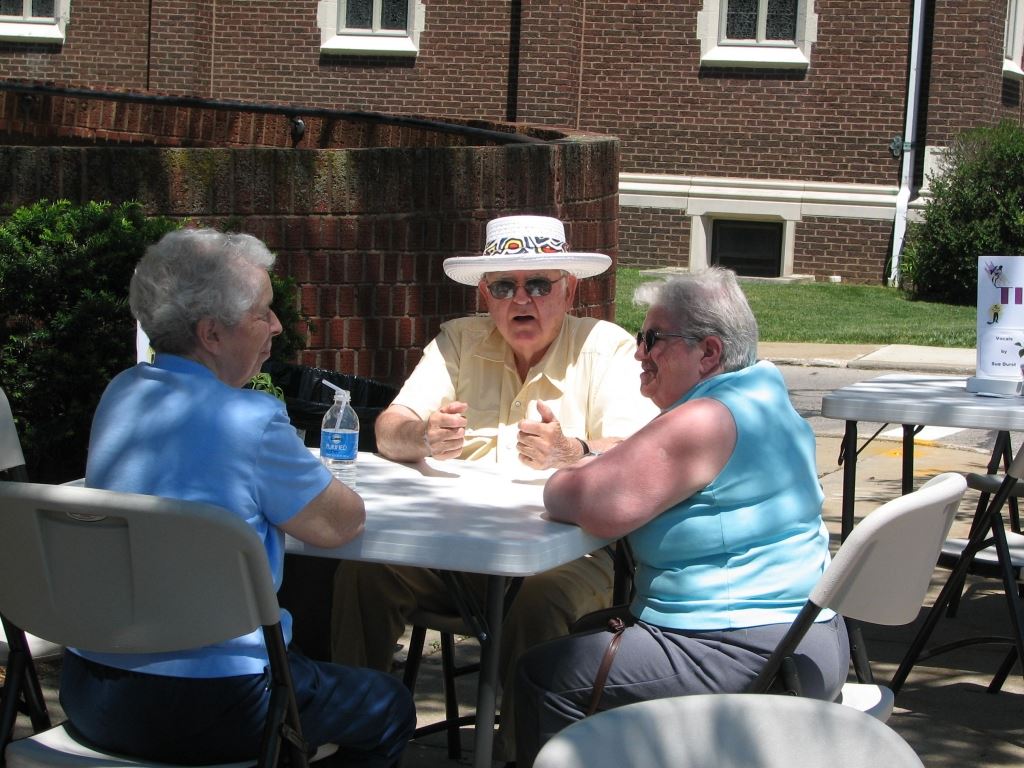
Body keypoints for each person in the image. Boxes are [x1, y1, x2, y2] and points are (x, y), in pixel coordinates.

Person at [62, 228, 415, 766]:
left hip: (93, 692)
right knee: (389, 704)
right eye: (262, 313)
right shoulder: (251, 419)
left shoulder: (120, 394)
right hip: (218, 704)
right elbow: (339, 525)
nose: (276, 326)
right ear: (211, 334)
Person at [331, 214, 659, 759]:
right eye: (504, 286)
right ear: (486, 292)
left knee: (541, 599)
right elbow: (389, 429)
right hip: (457, 546)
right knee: (365, 573)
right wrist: (423, 435)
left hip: (570, 551)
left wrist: (571, 452)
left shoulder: (606, 347)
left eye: (539, 284)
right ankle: (356, 736)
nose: (521, 299)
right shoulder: (459, 340)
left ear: (569, 288)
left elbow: (637, 452)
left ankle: (519, 752)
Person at [513, 267, 851, 767]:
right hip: (801, 638)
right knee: (587, 631)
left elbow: (580, 500)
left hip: (747, 653)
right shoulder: (760, 393)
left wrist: (567, 470)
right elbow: (640, 465)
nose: (639, 353)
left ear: (708, 352)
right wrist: (598, 460)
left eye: (652, 339)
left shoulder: (704, 420)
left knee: (542, 675)